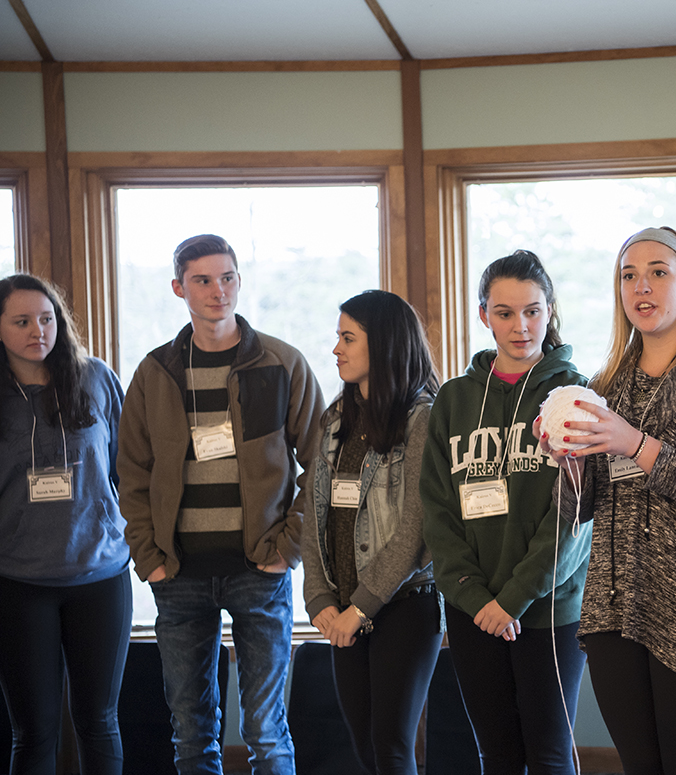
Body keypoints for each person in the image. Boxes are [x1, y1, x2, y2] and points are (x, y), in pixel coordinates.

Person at [538, 227, 676, 775]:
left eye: (659, 272)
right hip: (616, 613)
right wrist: (565, 460)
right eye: (628, 275)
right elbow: (579, 509)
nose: (642, 286)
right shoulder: (605, 384)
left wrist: (634, 443)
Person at [118, 234, 324, 775]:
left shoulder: (280, 363)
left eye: (227, 277)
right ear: (178, 287)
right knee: (191, 730)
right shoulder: (155, 371)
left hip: (260, 569)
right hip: (179, 572)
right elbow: (131, 472)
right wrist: (149, 556)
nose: (218, 290)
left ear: (239, 280)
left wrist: (290, 548)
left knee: (265, 731)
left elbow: (324, 463)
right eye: (203, 280)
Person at [420, 249, 592, 775]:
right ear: (483, 315)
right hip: (473, 609)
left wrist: (514, 598)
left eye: (533, 311)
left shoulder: (576, 397)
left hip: (548, 611)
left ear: (549, 309)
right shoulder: (452, 401)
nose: (521, 326)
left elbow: (574, 516)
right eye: (504, 313)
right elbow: (438, 509)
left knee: (548, 754)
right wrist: (476, 600)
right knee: (496, 754)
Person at [301, 290, 443, 775]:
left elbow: (416, 530)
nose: (336, 349)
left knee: (392, 747)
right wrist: (320, 598)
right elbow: (315, 510)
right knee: (364, 746)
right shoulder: (336, 418)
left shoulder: (423, 418)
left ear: (381, 344)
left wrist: (361, 607)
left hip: (403, 605)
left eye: (347, 338)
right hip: (341, 608)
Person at [0, 274, 131, 775]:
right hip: (18, 583)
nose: (39, 330)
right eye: (22, 321)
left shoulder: (94, 377)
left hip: (99, 576)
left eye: (48, 318)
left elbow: (125, 467)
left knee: (99, 721)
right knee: (33, 733)